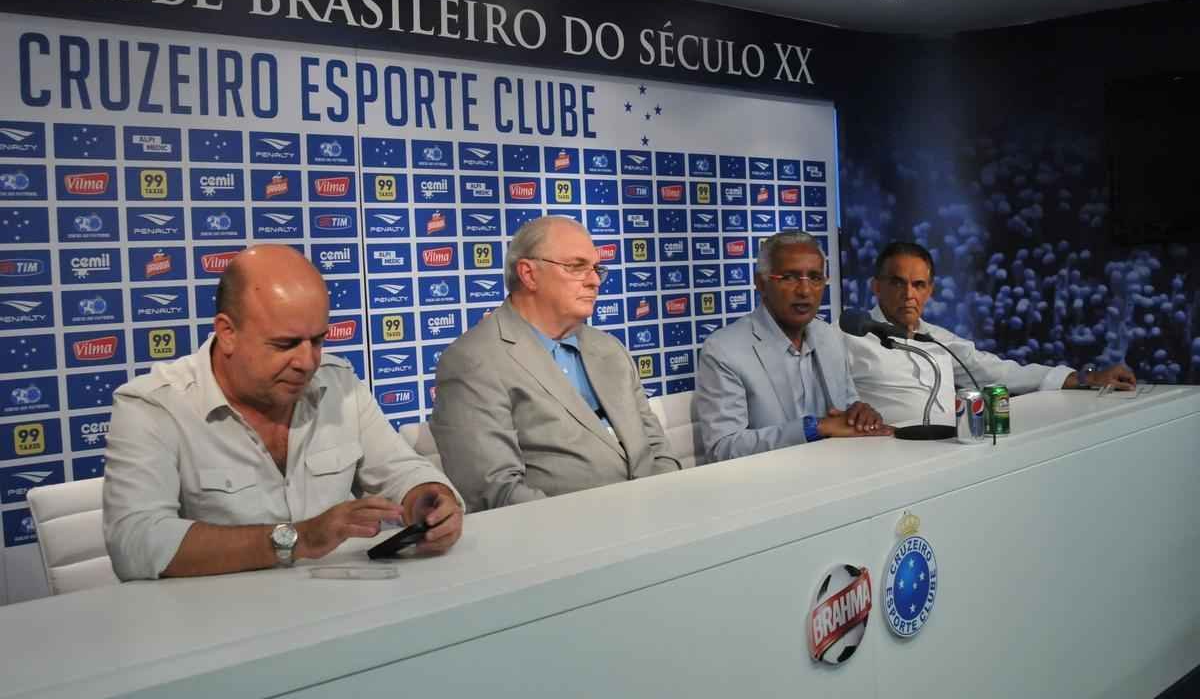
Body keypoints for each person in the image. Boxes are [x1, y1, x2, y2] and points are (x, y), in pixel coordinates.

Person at [103, 245, 462, 581]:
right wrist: (297, 539)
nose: (307, 362)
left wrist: (427, 498)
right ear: (227, 332)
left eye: (318, 340)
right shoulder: (153, 406)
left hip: (337, 614)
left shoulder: (339, 384)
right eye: (285, 344)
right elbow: (135, 542)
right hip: (214, 630)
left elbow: (401, 469)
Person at [431, 216, 680, 511]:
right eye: (576, 267)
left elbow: (657, 449)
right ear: (529, 274)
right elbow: (496, 491)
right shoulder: (473, 360)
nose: (595, 280)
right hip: (562, 542)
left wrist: (664, 504)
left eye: (597, 268)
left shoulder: (610, 349)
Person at [846, 241, 1137, 427]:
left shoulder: (938, 339)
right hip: (885, 456)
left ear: (930, 291)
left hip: (948, 450)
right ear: (875, 286)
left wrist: (1086, 378)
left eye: (919, 285)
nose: (909, 294)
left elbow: (999, 372)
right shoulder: (847, 336)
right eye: (898, 283)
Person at [695, 230, 890, 463]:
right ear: (761, 283)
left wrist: (860, 415)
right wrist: (813, 428)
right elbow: (723, 448)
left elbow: (846, 410)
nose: (805, 291)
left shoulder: (830, 337)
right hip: (768, 484)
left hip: (836, 473)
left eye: (816, 278)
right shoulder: (724, 350)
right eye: (789, 277)